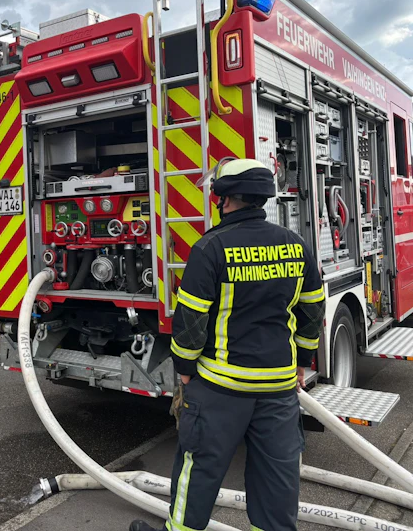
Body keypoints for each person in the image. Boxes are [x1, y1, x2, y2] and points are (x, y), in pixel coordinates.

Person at [130, 158, 325, 531]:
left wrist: (185, 372)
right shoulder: (296, 245)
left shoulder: (210, 248)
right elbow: (312, 310)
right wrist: (301, 359)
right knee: (277, 481)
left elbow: (190, 321)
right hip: (278, 389)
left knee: (198, 469)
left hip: (221, 388)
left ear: (225, 198)